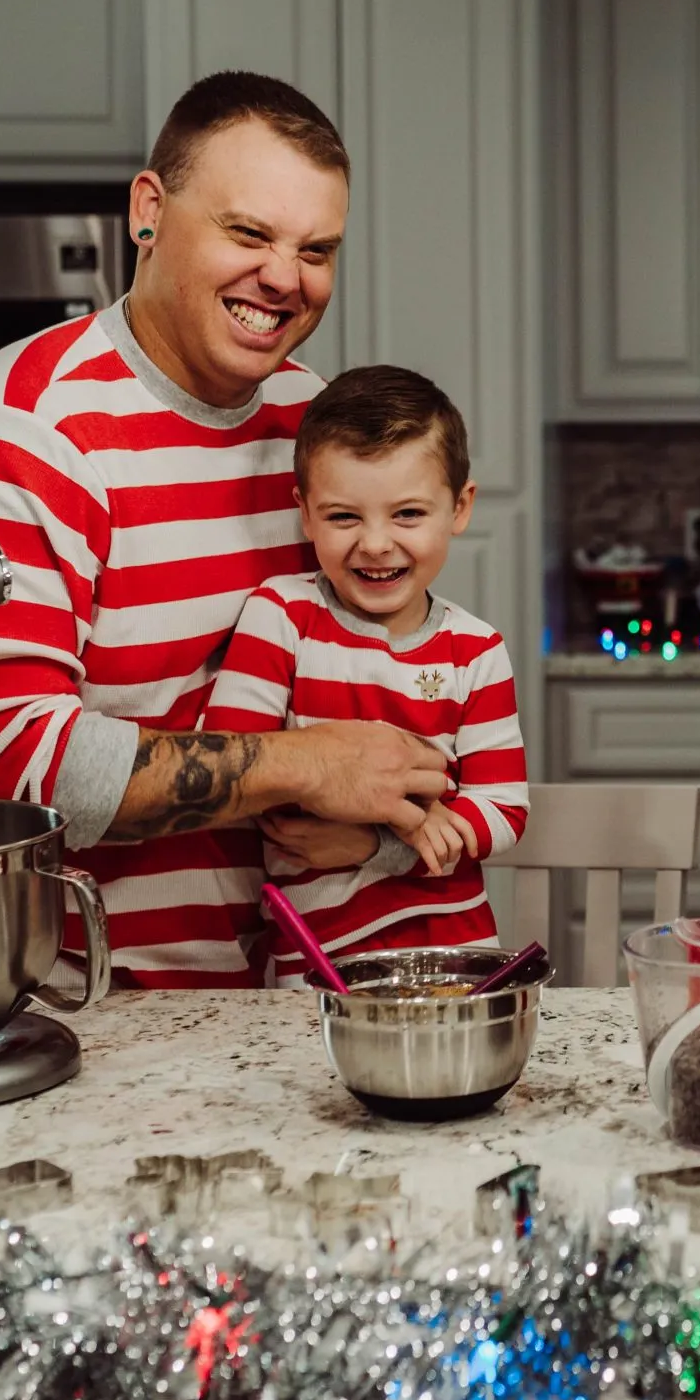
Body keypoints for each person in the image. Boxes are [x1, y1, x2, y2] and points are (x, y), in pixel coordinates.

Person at [0, 71, 453, 987]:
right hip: (77, 1014)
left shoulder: (319, 426)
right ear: (148, 210)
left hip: (302, 1004)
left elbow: (376, 693)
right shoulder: (7, 428)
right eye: (248, 232)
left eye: (317, 248)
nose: (285, 277)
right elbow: (0, 774)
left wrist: (374, 820)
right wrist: (306, 765)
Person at [202, 366, 527, 985]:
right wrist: (404, 816)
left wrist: (379, 846)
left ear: (459, 508)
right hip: (315, 970)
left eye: (407, 513)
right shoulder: (283, 617)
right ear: (304, 514)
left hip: (453, 960)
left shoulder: (476, 651)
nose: (376, 544)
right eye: (344, 517)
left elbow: (505, 809)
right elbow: (233, 766)